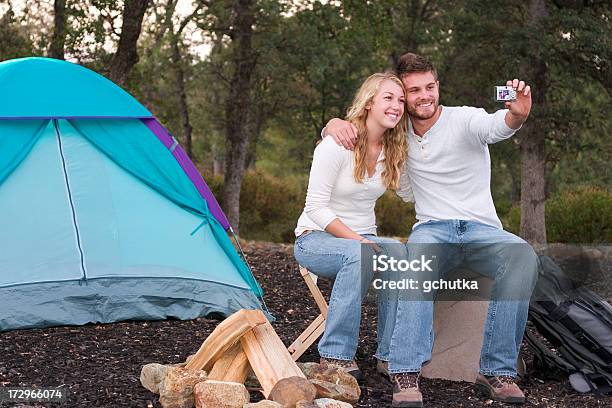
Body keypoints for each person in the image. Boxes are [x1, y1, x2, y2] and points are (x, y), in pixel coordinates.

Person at [323, 53, 539, 407]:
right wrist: (330, 124)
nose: (424, 96)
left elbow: (497, 126)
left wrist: (517, 114)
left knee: (523, 256)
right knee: (414, 261)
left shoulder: (464, 119)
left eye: (430, 87)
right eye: (414, 90)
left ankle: (497, 371)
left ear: (438, 86)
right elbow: (361, 124)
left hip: (482, 229)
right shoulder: (398, 133)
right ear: (403, 96)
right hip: (433, 229)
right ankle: (406, 373)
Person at [294, 72, 413, 382]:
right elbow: (315, 208)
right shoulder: (337, 144)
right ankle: (334, 355)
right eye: (388, 98)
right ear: (369, 102)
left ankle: (388, 356)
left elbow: (411, 193)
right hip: (315, 239)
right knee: (358, 254)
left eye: (401, 100)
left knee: (400, 254)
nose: (396, 105)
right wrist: (358, 240)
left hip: (362, 241)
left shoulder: (393, 151)